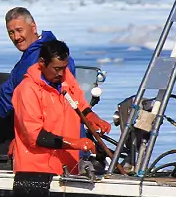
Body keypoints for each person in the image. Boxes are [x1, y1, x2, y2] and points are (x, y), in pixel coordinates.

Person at [12, 40, 111, 175]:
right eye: (56, 69)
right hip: (36, 172)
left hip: (67, 169)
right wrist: (74, 143)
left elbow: (79, 105)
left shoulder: (66, 80)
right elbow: (34, 135)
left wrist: (92, 117)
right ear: (42, 63)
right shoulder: (27, 90)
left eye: (64, 68)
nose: (60, 73)